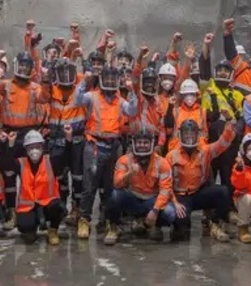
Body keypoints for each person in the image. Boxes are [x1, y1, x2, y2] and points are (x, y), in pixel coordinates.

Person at [74, 63, 138, 239]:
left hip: (113, 147)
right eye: (106, 78)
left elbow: (133, 111)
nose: (109, 82)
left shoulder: (120, 100)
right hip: (94, 146)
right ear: (101, 79)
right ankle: (84, 220)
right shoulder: (92, 96)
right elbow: (77, 100)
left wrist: (131, 91)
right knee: (89, 186)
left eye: (113, 78)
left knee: (111, 188)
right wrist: (84, 82)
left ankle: (110, 221)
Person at [0, 51, 49, 227]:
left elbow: (45, 97)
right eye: (22, 65)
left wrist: (47, 81)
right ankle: (11, 211)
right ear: (16, 65)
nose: (25, 68)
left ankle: (35, 209)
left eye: (28, 66)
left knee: (32, 174)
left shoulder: (35, 87)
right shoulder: (5, 85)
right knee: (9, 174)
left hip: (29, 135)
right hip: (9, 134)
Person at [166, 118, 239, 241]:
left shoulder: (205, 151)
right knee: (181, 220)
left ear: (197, 136)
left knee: (223, 192)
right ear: (180, 135)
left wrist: (228, 124)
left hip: (199, 193)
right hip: (180, 196)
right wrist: (175, 203)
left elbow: (224, 142)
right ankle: (178, 226)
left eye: (192, 134)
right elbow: (166, 184)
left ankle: (214, 223)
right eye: (186, 134)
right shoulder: (171, 156)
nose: (189, 137)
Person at [104, 130, 175, 246]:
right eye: (139, 142)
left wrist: (155, 210)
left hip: (152, 200)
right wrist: (129, 174)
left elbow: (165, 190)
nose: (142, 145)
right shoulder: (124, 160)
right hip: (132, 198)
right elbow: (117, 184)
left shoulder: (162, 163)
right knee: (114, 196)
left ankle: (153, 225)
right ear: (134, 144)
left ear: (152, 144)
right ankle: (114, 227)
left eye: (145, 142)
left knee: (170, 212)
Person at [46, 58, 86, 225]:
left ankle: (76, 207)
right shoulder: (52, 90)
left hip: (77, 140)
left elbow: (89, 77)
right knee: (60, 177)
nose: (65, 75)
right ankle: (61, 206)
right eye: (61, 72)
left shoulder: (80, 91)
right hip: (57, 141)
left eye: (69, 71)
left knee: (78, 176)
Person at [200, 57, 244, 197]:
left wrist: (236, 133)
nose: (223, 73)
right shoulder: (207, 90)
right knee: (209, 175)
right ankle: (209, 212)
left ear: (231, 73)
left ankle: (228, 210)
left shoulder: (237, 94)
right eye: (220, 70)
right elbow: (204, 71)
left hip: (230, 143)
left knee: (228, 177)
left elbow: (242, 118)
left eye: (226, 70)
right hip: (212, 140)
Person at [15, 130, 65, 246]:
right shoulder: (21, 163)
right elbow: (4, 163)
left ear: (42, 147)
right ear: (26, 149)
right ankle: (32, 229)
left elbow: (65, 155)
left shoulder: (51, 161)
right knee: (24, 227)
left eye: (37, 146)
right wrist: (8, 144)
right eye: (30, 147)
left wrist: (68, 139)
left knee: (57, 207)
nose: (34, 150)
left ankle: (53, 229)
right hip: (29, 206)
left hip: (48, 203)